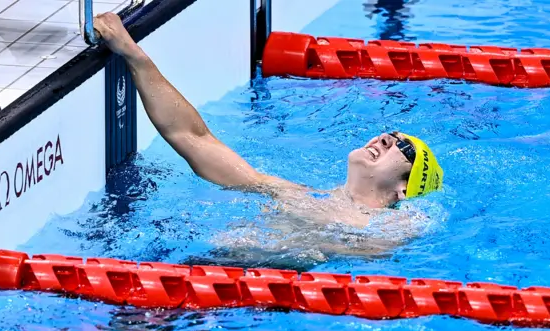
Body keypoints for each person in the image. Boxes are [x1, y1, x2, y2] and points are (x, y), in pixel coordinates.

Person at [92, 13, 444, 257]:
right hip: (200, 275)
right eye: (389, 133)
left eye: (403, 148)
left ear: (404, 189)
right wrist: (134, 55)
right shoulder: (292, 193)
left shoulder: (388, 230)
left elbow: (394, 240)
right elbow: (193, 138)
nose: (385, 139)